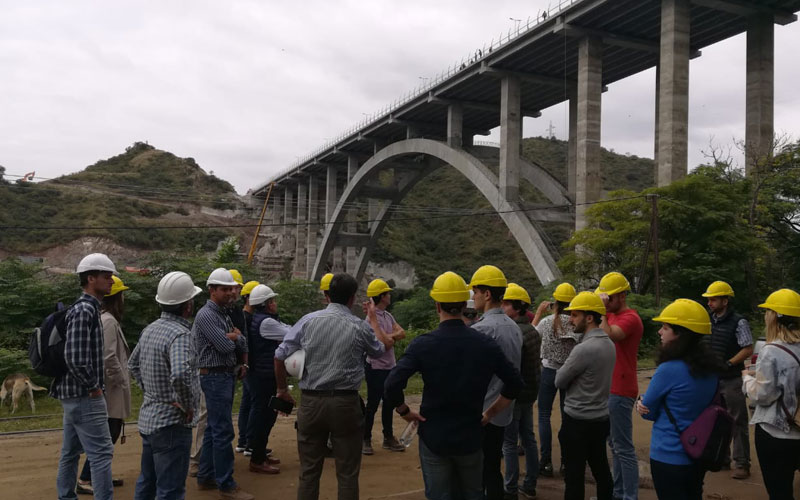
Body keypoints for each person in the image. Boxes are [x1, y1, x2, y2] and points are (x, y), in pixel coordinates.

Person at [384, 271, 523, 500]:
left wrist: (405, 411)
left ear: (437, 305)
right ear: (463, 305)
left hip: (434, 437)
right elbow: (515, 384)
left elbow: (391, 385)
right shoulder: (485, 344)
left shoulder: (424, 344)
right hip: (471, 435)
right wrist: (490, 413)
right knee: (473, 493)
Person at [274, 273, 395, 500]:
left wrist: (282, 390)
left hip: (311, 403)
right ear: (352, 298)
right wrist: (373, 318)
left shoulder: (308, 321)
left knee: (309, 472)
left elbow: (279, 355)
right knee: (347, 473)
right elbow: (380, 350)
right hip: (346, 404)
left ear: (326, 295)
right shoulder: (359, 327)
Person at [635, 299, 720, 500]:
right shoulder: (710, 369)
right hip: (698, 453)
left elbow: (648, 412)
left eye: (665, 327)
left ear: (680, 333)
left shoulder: (668, 369)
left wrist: (641, 403)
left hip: (668, 455)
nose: (660, 332)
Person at [128, 271, 203, 500]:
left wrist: (152, 391)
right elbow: (180, 374)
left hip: (150, 419)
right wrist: (186, 404)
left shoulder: (150, 328)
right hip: (171, 423)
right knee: (170, 490)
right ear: (188, 306)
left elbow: (133, 365)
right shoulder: (181, 335)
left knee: (147, 482)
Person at [54, 253, 117, 500]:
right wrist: (94, 387)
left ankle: (66, 497)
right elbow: (75, 358)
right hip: (84, 395)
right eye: (106, 276)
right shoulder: (84, 310)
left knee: (70, 453)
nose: (111, 281)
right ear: (91, 278)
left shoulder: (85, 308)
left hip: (74, 395)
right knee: (101, 454)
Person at [193, 268, 253, 500]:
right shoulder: (207, 315)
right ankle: (226, 484)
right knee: (222, 430)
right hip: (215, 376)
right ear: (212, 290)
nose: (230, 292)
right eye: (224, 289)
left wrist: (236, 338)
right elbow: (226, 346)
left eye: (231, 288)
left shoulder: (223, 313)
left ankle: (206, 476)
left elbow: (240, 341)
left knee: (213, 429)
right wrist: (234, 337)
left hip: (223, 375)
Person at [468, 264, 522, 500]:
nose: (474, 297)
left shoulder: (481, 330)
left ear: (487, 294)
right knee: (492, 468)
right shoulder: (514, 327)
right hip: (503, 410)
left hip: (482, 412)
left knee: (478, 474)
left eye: (476, 292)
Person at [556, 291, 615, 500]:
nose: (570, 320)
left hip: (577, 422)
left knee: (574, 477)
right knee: (601, 470)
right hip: (600, 419)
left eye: (574, 315)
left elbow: (559, 380)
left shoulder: (583, 349)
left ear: (589, 317)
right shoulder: (609, 344)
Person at [77, 276, 132, 494]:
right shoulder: (108, 320)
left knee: (109, 434)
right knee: (107, 435)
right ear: (117, 297)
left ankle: (100, 475)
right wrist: (121, 379)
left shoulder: (105, 318)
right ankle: (86, 479)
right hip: (111, 389)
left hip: (109, 388)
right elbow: (108, 355)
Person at [743, 288, 800, 499]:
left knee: (780, 492)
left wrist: (747, 379)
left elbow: (762, 395)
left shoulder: (771, 350)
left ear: (774, 316)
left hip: (776, 433)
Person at [596, 271, 643, 500]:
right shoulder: (611, 316)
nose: (606, 301)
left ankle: (629, 496)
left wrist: (602, 309)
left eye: (609, 297)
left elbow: (611, 336)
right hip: (609, 388)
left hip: (621, 389)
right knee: (614, 445)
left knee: (623, 448)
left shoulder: (630, 318)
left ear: (622, 296)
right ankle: (618, 493)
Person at [702, 280, 753, 479]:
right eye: (708, 299)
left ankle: (741, 463)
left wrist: (730, 363)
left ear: (725, 300)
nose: (709, 303)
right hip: (712, 379)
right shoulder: (707, 320)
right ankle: (721, 458)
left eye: (713, 299)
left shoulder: (739, 321)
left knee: (737, 421)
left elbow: (747, 348)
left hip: (731, 379)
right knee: (716, 420)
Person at [533, 282, 582, 477]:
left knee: (544, 415)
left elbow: (531, 336)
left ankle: (545, 462)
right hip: (569, 374)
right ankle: (566, 462)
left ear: (555, 302)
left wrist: (538, 313)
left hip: (548, 372)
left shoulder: (546, 322)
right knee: (566, 417)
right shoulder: (575, 324)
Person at [500, 283, 541, 499]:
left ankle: (510, 488)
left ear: (517, 308)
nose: (503, 307)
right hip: (530, 392)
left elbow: (511, 368)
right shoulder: (532, 330)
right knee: (529, 438)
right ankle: (530, 484)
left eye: (506, 304)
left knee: (509, 443)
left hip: (516, 395)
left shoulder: (515, 332)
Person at [246, 284, 288, 475]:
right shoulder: (267, 323)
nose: (275, 303)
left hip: (260, 374)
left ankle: (260, 453)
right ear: (266, 304)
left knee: (264, 415)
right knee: (265, 416)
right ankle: (257, 459)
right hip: (265, 375)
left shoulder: (260, 319)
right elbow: (291, 333)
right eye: (272, 300)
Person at [363, 278, 407, 455]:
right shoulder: (369, 320)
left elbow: (401, 333)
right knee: (372, 404)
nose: (390, 295)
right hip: (375, 367)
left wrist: (390, 337)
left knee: (389, 403)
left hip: (389, 366)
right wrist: (390, 337)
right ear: (382, 296)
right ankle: (365, 438)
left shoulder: (388, 316)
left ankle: (388, 437)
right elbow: (383, 343)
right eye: (388, 293)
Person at [227, 270, 252, 456]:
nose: (235, 292)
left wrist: (244, 363)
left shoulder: (236, 312)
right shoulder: (213, 313)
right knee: (210, 418)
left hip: (234, 367)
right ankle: (201, 462)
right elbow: (222, 341)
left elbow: (242, 338)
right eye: (232, 287)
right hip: (216, 371)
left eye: (238, 288)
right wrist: (235, 337)